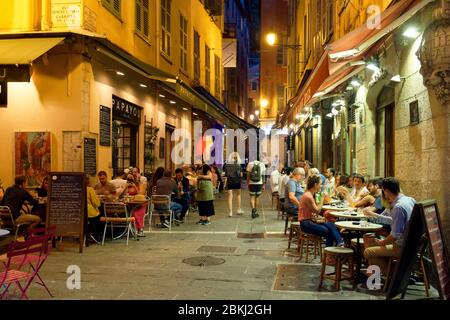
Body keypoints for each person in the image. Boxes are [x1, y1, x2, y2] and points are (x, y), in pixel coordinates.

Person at [363, 177, 416, 274]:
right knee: (370, 241)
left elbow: (395, 235)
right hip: (412, 243)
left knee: (368, 251)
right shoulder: (410, 200)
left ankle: (391, 273)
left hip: (402, 247)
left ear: (386, 191)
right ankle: (374, 274)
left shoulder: (398, 207)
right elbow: (393, 221)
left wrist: (381, 242)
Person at [298, 175, 344, 247]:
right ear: (315, 185)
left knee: (331, 224)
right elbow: (317, 210)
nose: (321, 186)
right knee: (328, 231)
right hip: (306, 224)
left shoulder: (310, 194)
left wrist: (318, 218)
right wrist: (322, 197)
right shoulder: (308, 196)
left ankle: (339, 242)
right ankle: (330, 251)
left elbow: (313, 211)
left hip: (310, 221)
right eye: (320, 184)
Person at [223, 153, 244, 217]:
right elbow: (241, 175)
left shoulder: (227, 165)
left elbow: (225, 175)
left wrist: (224, 184)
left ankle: (230, 212)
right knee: (238, 195)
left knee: (229, 197)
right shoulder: (238, 165)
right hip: (237, 181)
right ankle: (238, 209)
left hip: (230, 181)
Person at [85, 175, 102, 243]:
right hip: (90, 214)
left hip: (79, 214)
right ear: (88, 181)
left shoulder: (76, 189)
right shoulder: (90, 189)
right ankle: (96, 235)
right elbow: (96, 203)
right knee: (100, 217)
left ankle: (87, 233)